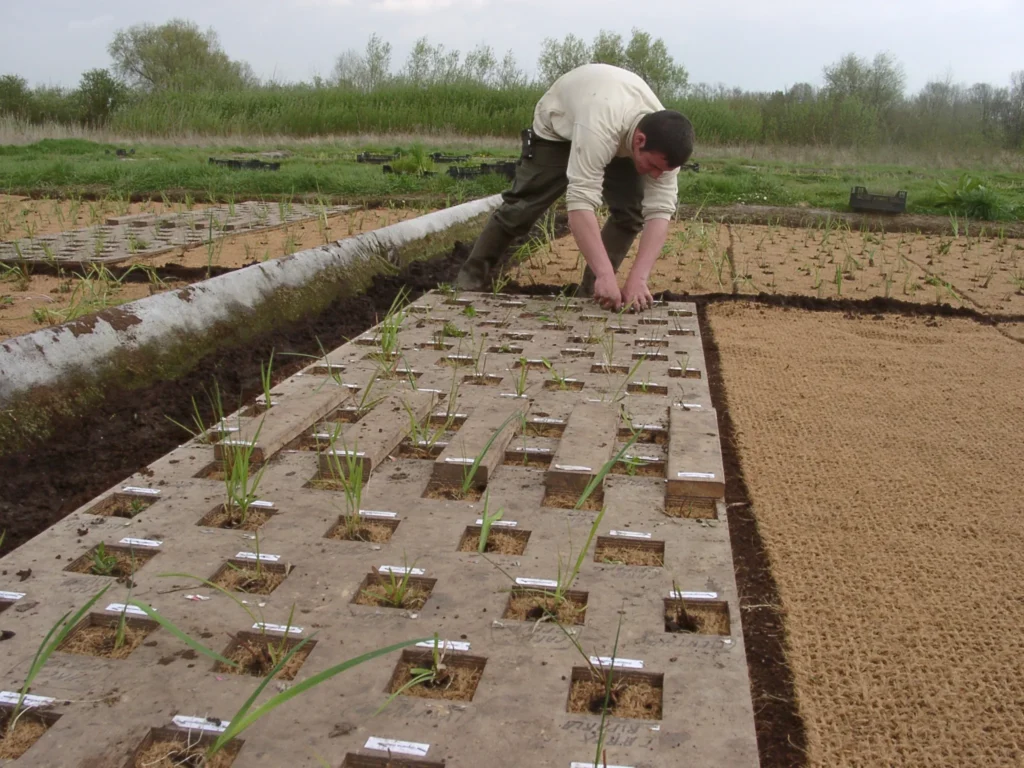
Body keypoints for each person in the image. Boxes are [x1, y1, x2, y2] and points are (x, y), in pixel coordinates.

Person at [454, 62, 695, 312]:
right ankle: (469, 280)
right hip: (560, 130)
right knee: (521, 209)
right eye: (653, 166)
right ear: (640, 140)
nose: (656, 176)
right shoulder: (601, 124)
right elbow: (580, 205)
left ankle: (592, 293)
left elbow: (660, 213)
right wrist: (606, 274)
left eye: (663, 171)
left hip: (611, 128)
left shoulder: (666, 146)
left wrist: (639, 279)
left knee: (630, 213)